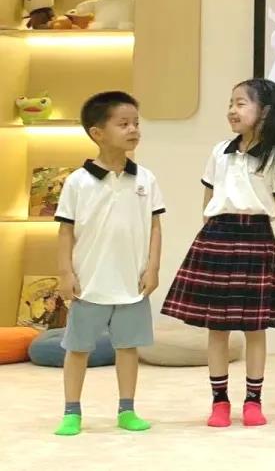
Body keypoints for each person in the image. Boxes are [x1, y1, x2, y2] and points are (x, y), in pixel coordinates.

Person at [162, 78, 275, 428]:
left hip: (257, 239)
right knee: (217, 328)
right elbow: (208, 198)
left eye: (241, 103)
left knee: (255, 328)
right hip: (218, 236)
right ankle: (219, 402)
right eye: (231, 103)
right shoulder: (220, 151)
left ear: (265, 111)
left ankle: (253, 401)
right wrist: (208, 235)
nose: (232, 110)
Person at [53, 91, 165, 436]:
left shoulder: (146, 179)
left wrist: (153, 267)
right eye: (124, 124)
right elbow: (65, 231)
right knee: (78, 349)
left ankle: (126, 410)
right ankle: (72, 412)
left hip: (131, 283)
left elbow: (155, 227)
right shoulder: (77, 181)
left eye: (136, 123)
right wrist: (65, 273)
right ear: (97, 133)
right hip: (89, 283)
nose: (133, 130)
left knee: (127, 348)